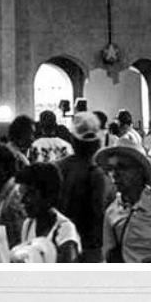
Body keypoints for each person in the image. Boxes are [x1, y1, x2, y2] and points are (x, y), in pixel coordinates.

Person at [57, 111, 114, 261]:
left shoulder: (58, 168)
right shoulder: (100, 173)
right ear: (98, 142)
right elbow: (99, 212)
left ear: (73, 140)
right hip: (92, 247)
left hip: (63, 241)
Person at [10, 162, 80, 263]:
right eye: (21, 193)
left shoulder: (64, 230)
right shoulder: (28, 224)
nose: (22, 200)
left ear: (48, 195)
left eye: (30, 194)